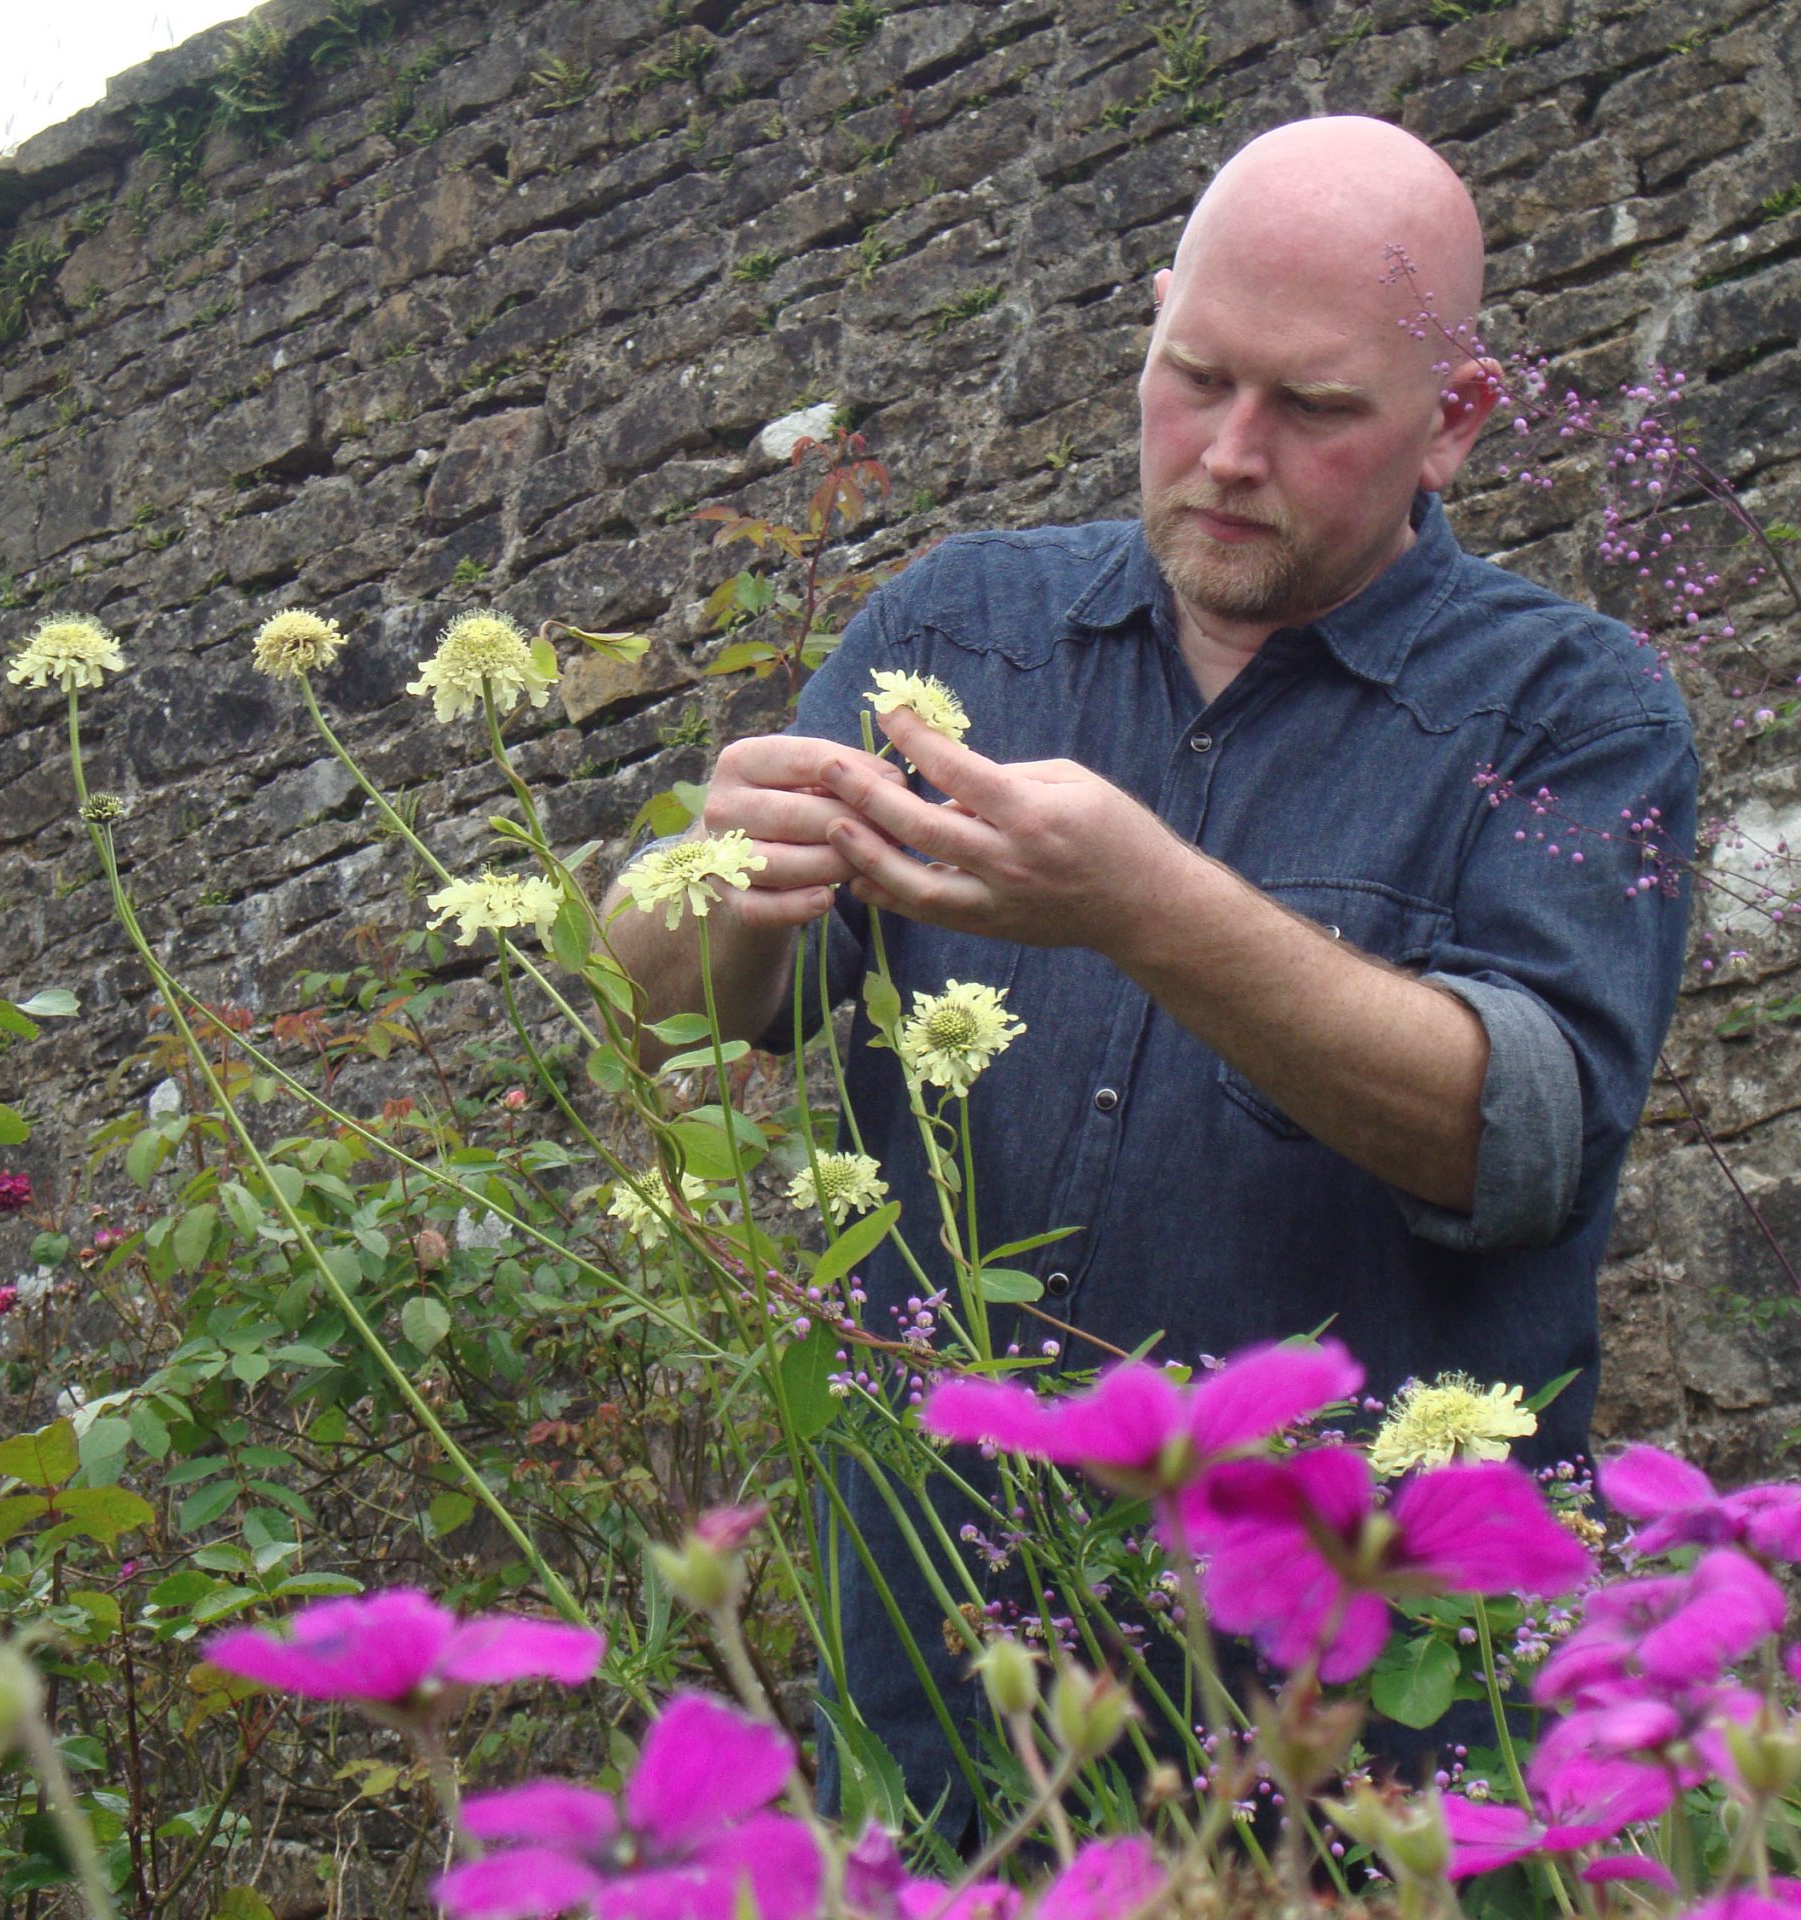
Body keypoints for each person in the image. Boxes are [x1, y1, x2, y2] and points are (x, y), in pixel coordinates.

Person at [603, 116, 1699, 1824]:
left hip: (1368, 1733)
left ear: (1456, 422)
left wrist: (1147, 910)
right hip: (940, 1673)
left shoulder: (1577, 705)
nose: (1229, 453)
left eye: (1316, 409)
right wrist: (725, 878)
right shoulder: (952, 627)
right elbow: (680, 1002)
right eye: (1193, 378)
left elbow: (1526, 1137)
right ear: (1153, 329)